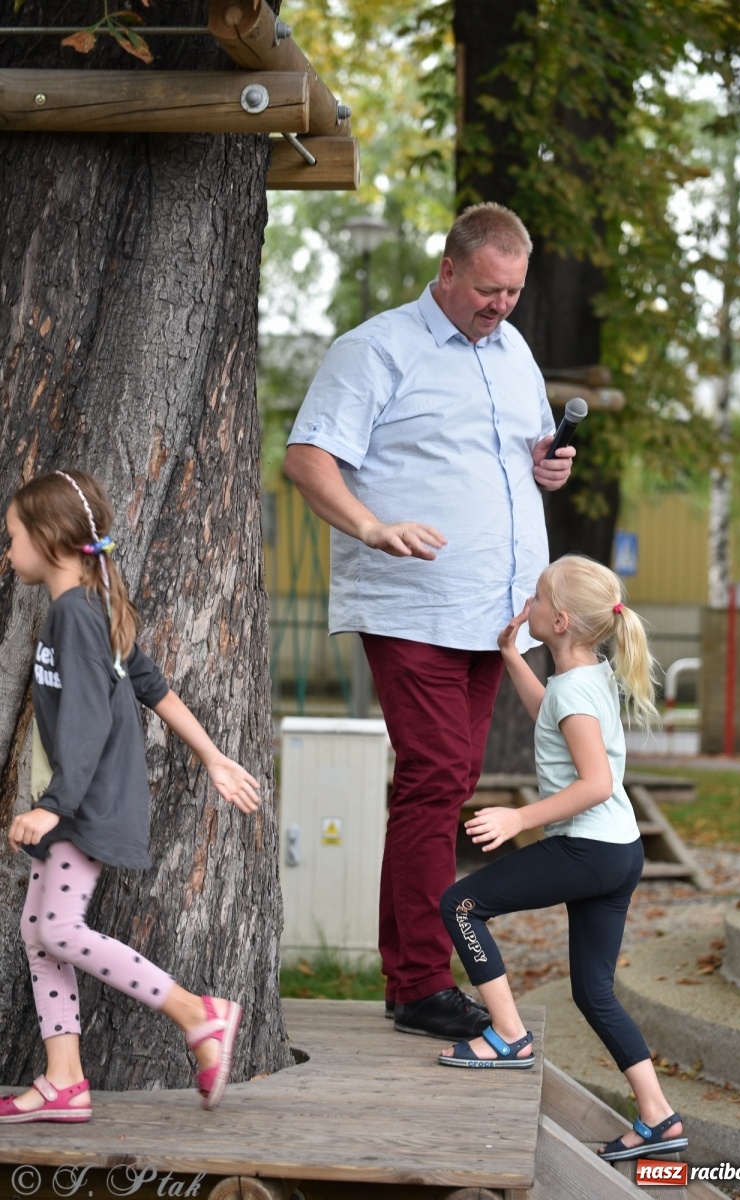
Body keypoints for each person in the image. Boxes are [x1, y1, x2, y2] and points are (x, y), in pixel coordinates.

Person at [284, 202, 575, 1041]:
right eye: (487, 289)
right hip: (416, 607)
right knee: (435, 778)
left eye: (513, 292)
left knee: (447, 781)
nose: (500, 306)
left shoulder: (512, 351)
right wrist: (372, 526)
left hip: (497, 611)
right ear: (446, 270)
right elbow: (308, 458)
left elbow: (507, 459)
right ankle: (416, 981)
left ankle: (419, 972)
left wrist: (544, 469)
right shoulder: (375, 349)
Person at [1, 470, 261, 1123]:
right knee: (39, 931)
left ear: (50, 539)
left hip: (82, 802)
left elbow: (87, 721)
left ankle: (196, 1013)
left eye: (12, 538)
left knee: (57, 927)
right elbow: (153, 686)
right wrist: (212, 756)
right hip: (79, 796)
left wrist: (52, 805)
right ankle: (64, 1079)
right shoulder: (89, 609)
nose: (7, 553)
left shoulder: (74, 617)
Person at [438, 555, 688, 1163]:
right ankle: (659, 1116)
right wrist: (510, 657)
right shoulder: (586, 675)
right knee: (594, 992)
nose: (531, 596)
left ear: (561, 618)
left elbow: (596, 781)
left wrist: (519, 817)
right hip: (619, 850)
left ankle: (509, 1035)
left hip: (589, 847)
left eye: (540, 592)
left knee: (461, 905)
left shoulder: (576, 691)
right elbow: (549, 714)